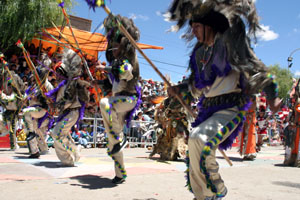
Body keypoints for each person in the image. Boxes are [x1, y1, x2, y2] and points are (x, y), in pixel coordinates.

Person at [166, 1, 281, 199]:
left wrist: (273, 97)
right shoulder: (199, 53)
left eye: (197, 27)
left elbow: (259, 69)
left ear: (209, 26)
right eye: (192, 27)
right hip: (207, 110)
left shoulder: (230, 44)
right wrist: (179, 89)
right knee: (193, 146)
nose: (193, 31)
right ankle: (202, 194)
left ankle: (216, 188)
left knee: (200, 139)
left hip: (231, 108)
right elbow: (194, 83)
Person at [97, 15, 142, 184]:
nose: (113, 50)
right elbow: (113, 84)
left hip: (128, 100)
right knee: (112, 141)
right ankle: (120, 174)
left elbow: (124, 72)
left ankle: (119, 137)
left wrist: (105, 68)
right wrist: (99, 82)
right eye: (112, 47)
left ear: (123, 46)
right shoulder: (115, 63)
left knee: (104, 102)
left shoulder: (129, 61)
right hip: (118, 103)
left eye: (116, 47)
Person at [45, 49, 90, 167]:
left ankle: (70, 156)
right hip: (66, 113)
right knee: (58, 135)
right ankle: (72, 153)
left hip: (71, 113)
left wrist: (57, 104)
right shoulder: (63, 85)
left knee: (56, 134)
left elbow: (68, 101)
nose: (57, 75)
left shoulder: (71, 85)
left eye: (58, 72)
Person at [22, 57, 54, 158]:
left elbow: (52, 100)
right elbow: (26, 97)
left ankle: (35, 138)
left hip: (42, 111)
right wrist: (26, 99)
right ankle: (35, 151)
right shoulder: (33, 87)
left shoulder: (47, 85)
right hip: (33, 112)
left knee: (27, 114)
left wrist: (41, 98)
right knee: (34, 129)